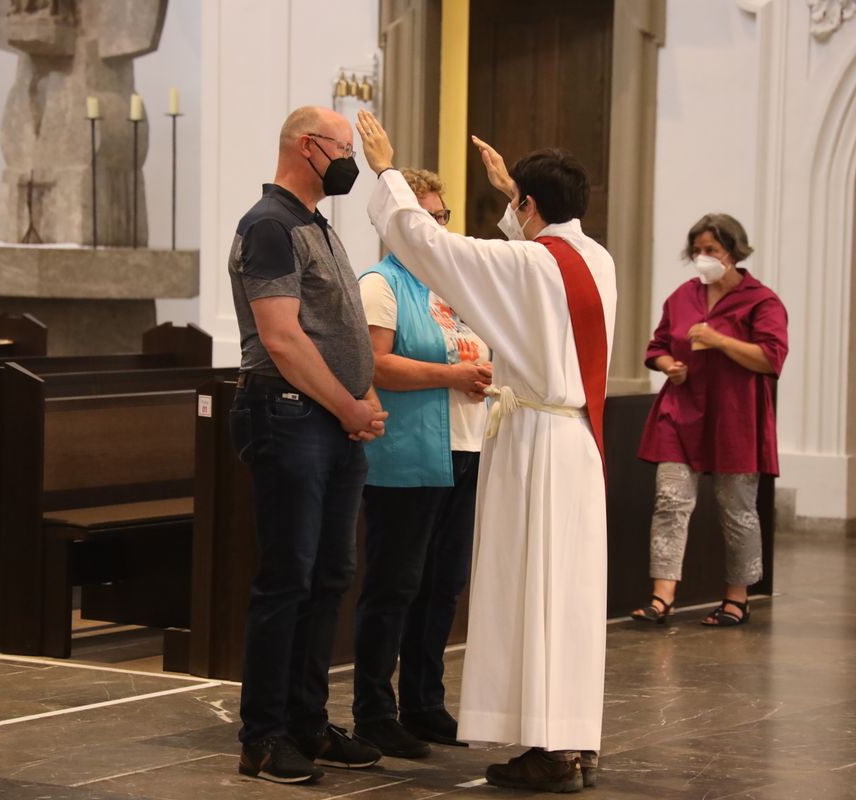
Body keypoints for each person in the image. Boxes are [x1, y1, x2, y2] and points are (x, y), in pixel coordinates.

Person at [355, 110, 616, 793]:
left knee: (532, 593)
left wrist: (386, 170)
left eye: (518, 206)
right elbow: (518, 261)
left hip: (535, 446)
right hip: (578, 441)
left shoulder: (530, 264)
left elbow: (432, 247)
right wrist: (514, 197)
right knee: (569, 600)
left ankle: (549, 751)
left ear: (530, 206)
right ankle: (573, 741)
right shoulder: (596, 260)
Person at [226, 105, 388, 785]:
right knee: (287, 580)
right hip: (288, 416)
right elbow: (282, 338)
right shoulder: (268, 225)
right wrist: (347, 401)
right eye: (344, 148)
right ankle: (263, 738)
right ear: (308, 146)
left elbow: (335, 328)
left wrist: (364, 393)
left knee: (328, 579)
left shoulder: (313, 223)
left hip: (327, 422)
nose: (349, 160)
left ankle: (307, 722)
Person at [352, 168, 493, 759]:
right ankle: (374, 711)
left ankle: (424, 703)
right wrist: (453, 375)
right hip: (406, 455)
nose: (437, 227)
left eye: (442, 217)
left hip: (466, 449)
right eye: (427, 217)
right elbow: (376, 366)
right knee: (395, 585)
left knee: (443, 585)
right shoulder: (380, 285)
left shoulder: (454, 289)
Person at [630, 214, 788, 628]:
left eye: (712, 251)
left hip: (735, 416)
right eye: (697, 251)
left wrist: (719, 341)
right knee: (670, 501)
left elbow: (771, 358)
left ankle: (738, 597)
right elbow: (658, 344)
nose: (703, 258)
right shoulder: (683, 295)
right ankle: (662, 595)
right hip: (681, 412)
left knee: (736, 508)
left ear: (733, 252)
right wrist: (669, 366)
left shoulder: (762, 301)